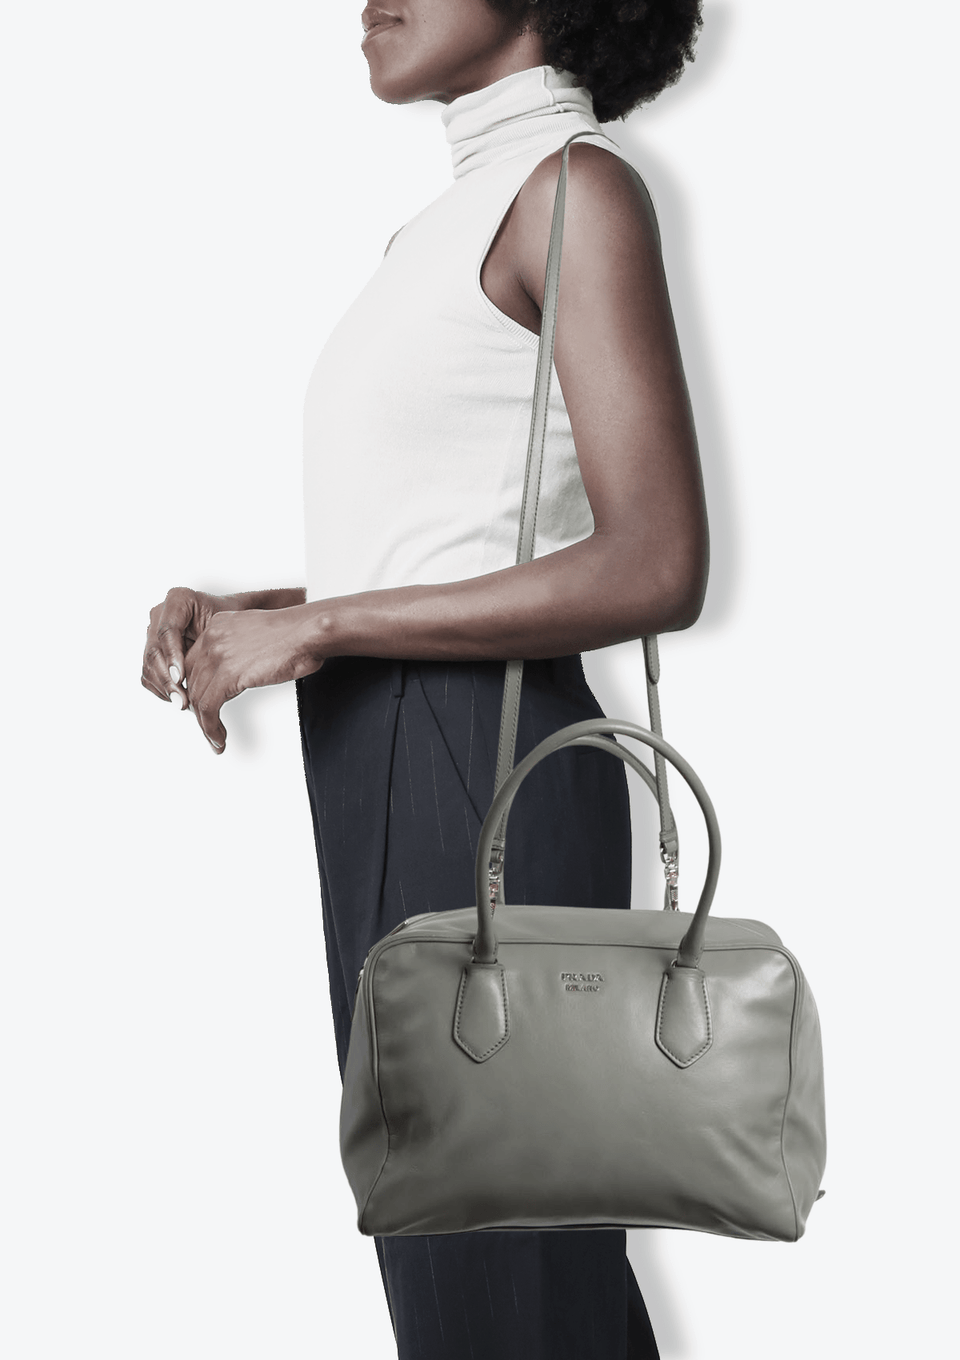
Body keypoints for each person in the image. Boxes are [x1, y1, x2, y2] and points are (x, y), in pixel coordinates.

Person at [141, 1, 708, 1355]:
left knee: (502, 1269)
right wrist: (270, 613)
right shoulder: (447, 223)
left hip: (481, 762)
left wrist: (325, 629)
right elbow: (454, 541)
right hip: (392, 761)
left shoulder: (573, 189)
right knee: (476, 1264)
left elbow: (658, 561)